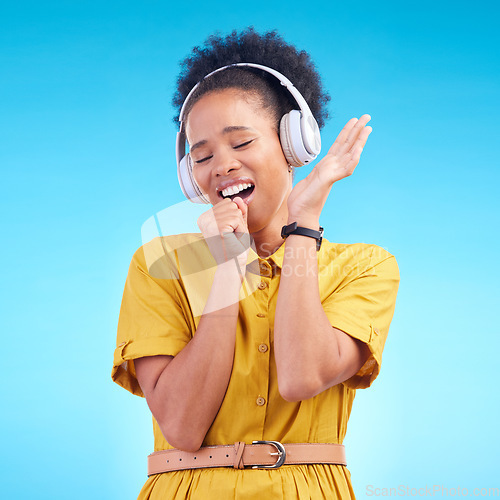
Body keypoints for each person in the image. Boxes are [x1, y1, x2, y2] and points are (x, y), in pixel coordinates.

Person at [112, 27, 400, 499]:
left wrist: (303, 227)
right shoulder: (159, 263)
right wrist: (226, 268)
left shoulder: (365, 267)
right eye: (201, 156)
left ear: (293, 146)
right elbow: (183, 426)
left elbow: (301, 376)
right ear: (189, 175)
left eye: (241, 144)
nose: (221, 165)